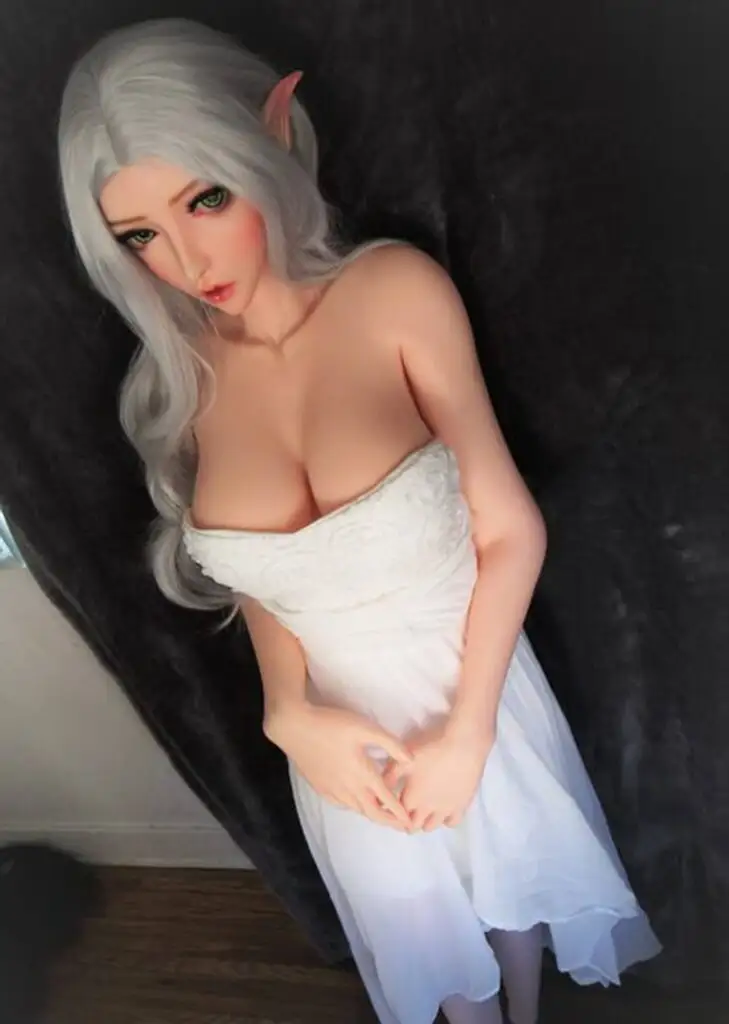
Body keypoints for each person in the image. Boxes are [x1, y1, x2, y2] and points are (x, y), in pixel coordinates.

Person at [57, 17, 661, 1024]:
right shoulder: (182, 384)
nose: (186, 258)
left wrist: (468, 732)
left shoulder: (391, 293)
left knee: (511, 911)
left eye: (206, 197)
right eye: (140, 236)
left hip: (472, 686)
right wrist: (286, 713)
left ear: (273, 130)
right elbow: (263, 581)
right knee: (430, 949)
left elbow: (509, 528)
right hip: (337, 738)